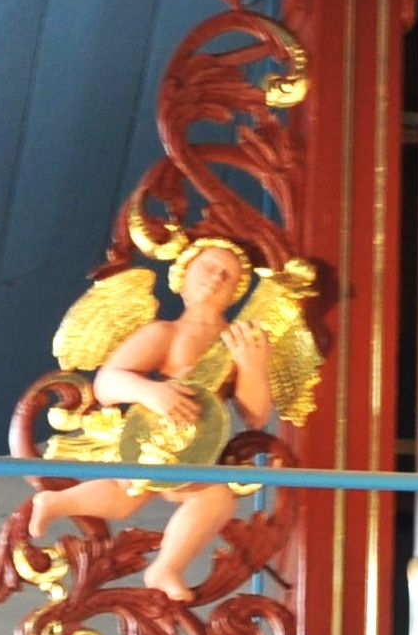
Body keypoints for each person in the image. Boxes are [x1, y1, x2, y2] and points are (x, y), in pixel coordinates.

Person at [26, 239, 288, 604]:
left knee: (217, 499)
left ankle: (166, 567)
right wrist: (150, 392)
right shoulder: (164, 334)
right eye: (208, 267)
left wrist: (253, 367)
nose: (216, 278)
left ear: (237, 293)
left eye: (228, 277)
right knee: (126, 495)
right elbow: (107, 382)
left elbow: (255, 414)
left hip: (197, 446)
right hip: (156, 435)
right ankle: (56, 503)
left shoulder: (237, 340)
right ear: (182, 276)